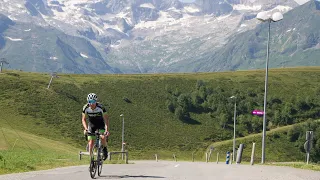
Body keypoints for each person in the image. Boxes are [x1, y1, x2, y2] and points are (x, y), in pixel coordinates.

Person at [82, 93, 109, 160]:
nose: (91, 103)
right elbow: (83, 119)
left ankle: (105, 149)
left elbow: (106, 119)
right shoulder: (85, 108)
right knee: (91, 144)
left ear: (96, 101)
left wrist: (106, 130)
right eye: (90, 102)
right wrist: (85, 129)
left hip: (100, 124)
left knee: (102, 137)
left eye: (93, 101)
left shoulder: (101, 107)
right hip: (92, 125)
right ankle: (92, 160)